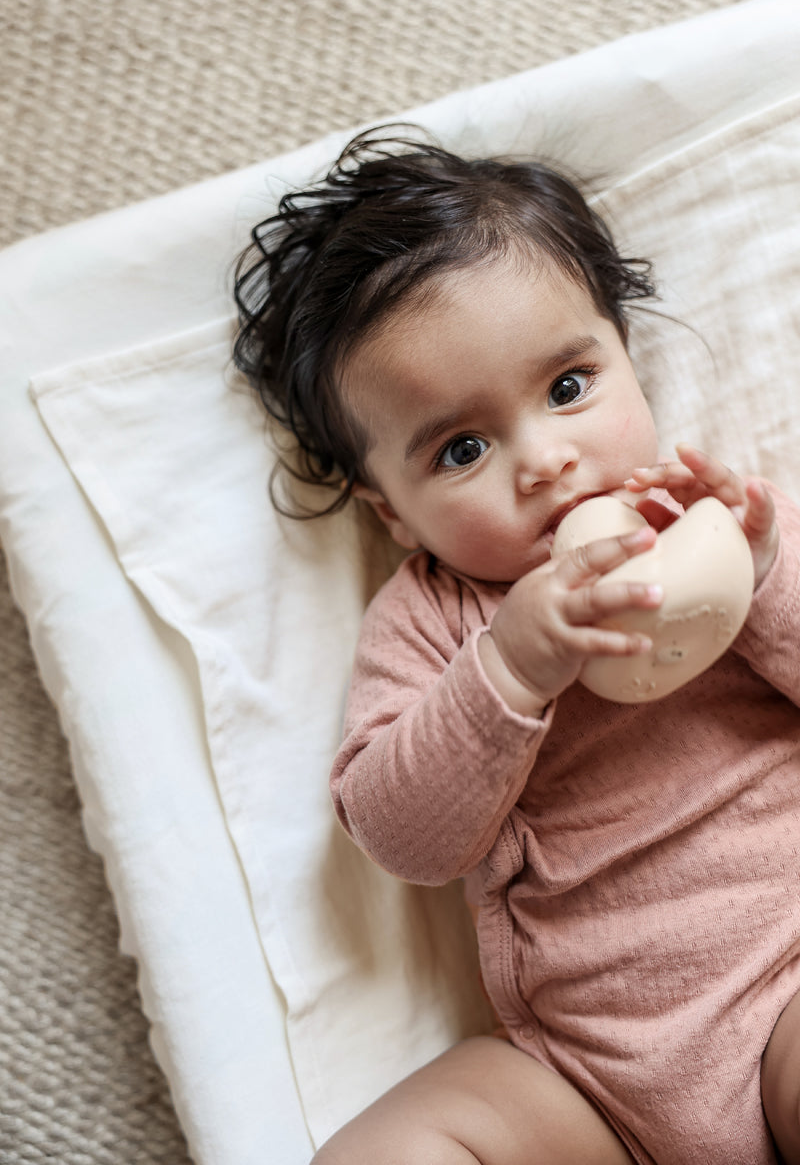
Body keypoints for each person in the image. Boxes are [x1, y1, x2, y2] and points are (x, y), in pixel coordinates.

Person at [234, 126, 800, 1165]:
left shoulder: (711, 521)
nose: (542, 461)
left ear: (626, 357)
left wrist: (761, 579)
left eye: (568, 388)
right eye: (460, 449)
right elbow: (400, 835)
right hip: (580, 1076)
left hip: (785, 977)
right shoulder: (434, 618)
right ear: (392, 513)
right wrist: (508, 667)